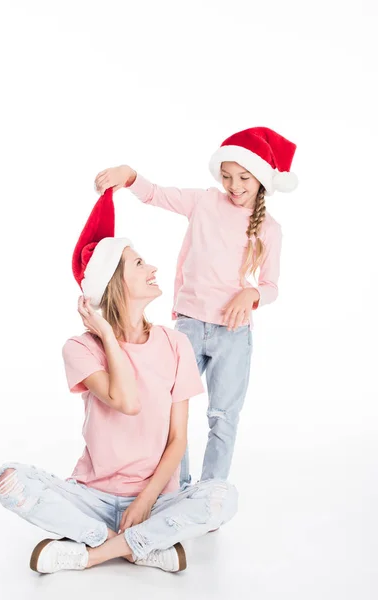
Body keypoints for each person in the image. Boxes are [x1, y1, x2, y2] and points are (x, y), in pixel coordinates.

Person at [0, 188, 238, 574]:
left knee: (223, 496)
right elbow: (127, 401)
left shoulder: (176, 344)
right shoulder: (80, 348)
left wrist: (144, 502)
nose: (153, 268)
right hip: (92, 495)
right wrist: (107, 334)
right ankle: (139, 547)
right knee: (7, 478)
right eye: (139, 263)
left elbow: (178, 440)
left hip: (156, 498)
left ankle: (92, 552)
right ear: (115, 282)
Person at [94, 126, 298, 486]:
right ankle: (176, 486)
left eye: (244, 178)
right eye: (227, 177)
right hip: (188, 328)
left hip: (233, 335)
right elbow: (156, 194)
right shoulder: (204, 202)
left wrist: (251, 294)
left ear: (262, 179)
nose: (234, 186)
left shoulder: (269, 228)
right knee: (169, 408)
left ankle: (211, 492)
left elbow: (270, 286)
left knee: (223, 415)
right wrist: (131, 177)